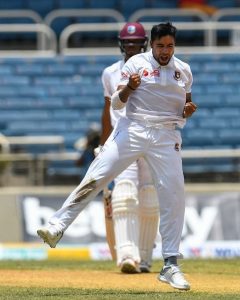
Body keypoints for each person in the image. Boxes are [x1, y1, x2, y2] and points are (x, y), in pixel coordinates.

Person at [37, 22, 197, 291]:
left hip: (166, 136)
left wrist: (187, 112)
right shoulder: (135, 65)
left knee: (174, 196)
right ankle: (56, 226)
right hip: (133, 129)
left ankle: (170, 265)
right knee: (97, 175)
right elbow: (118, 103)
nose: (165, 51)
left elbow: (183, 108)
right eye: (161, 46)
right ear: (153, 45)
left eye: (170, 46)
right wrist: (129, 88)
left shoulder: (183, 71)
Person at [99, 22, 160, 273]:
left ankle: (144, 258)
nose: (132, 47)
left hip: (152, 138)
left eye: (136, 43)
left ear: (144, 43)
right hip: (122, 140)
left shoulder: (157, 71)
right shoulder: (110, 73)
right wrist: (103, 145)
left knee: (149, 197)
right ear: (121, 43)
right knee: (124, 192)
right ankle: (127, 255)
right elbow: (107, 110)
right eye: (128, 42)